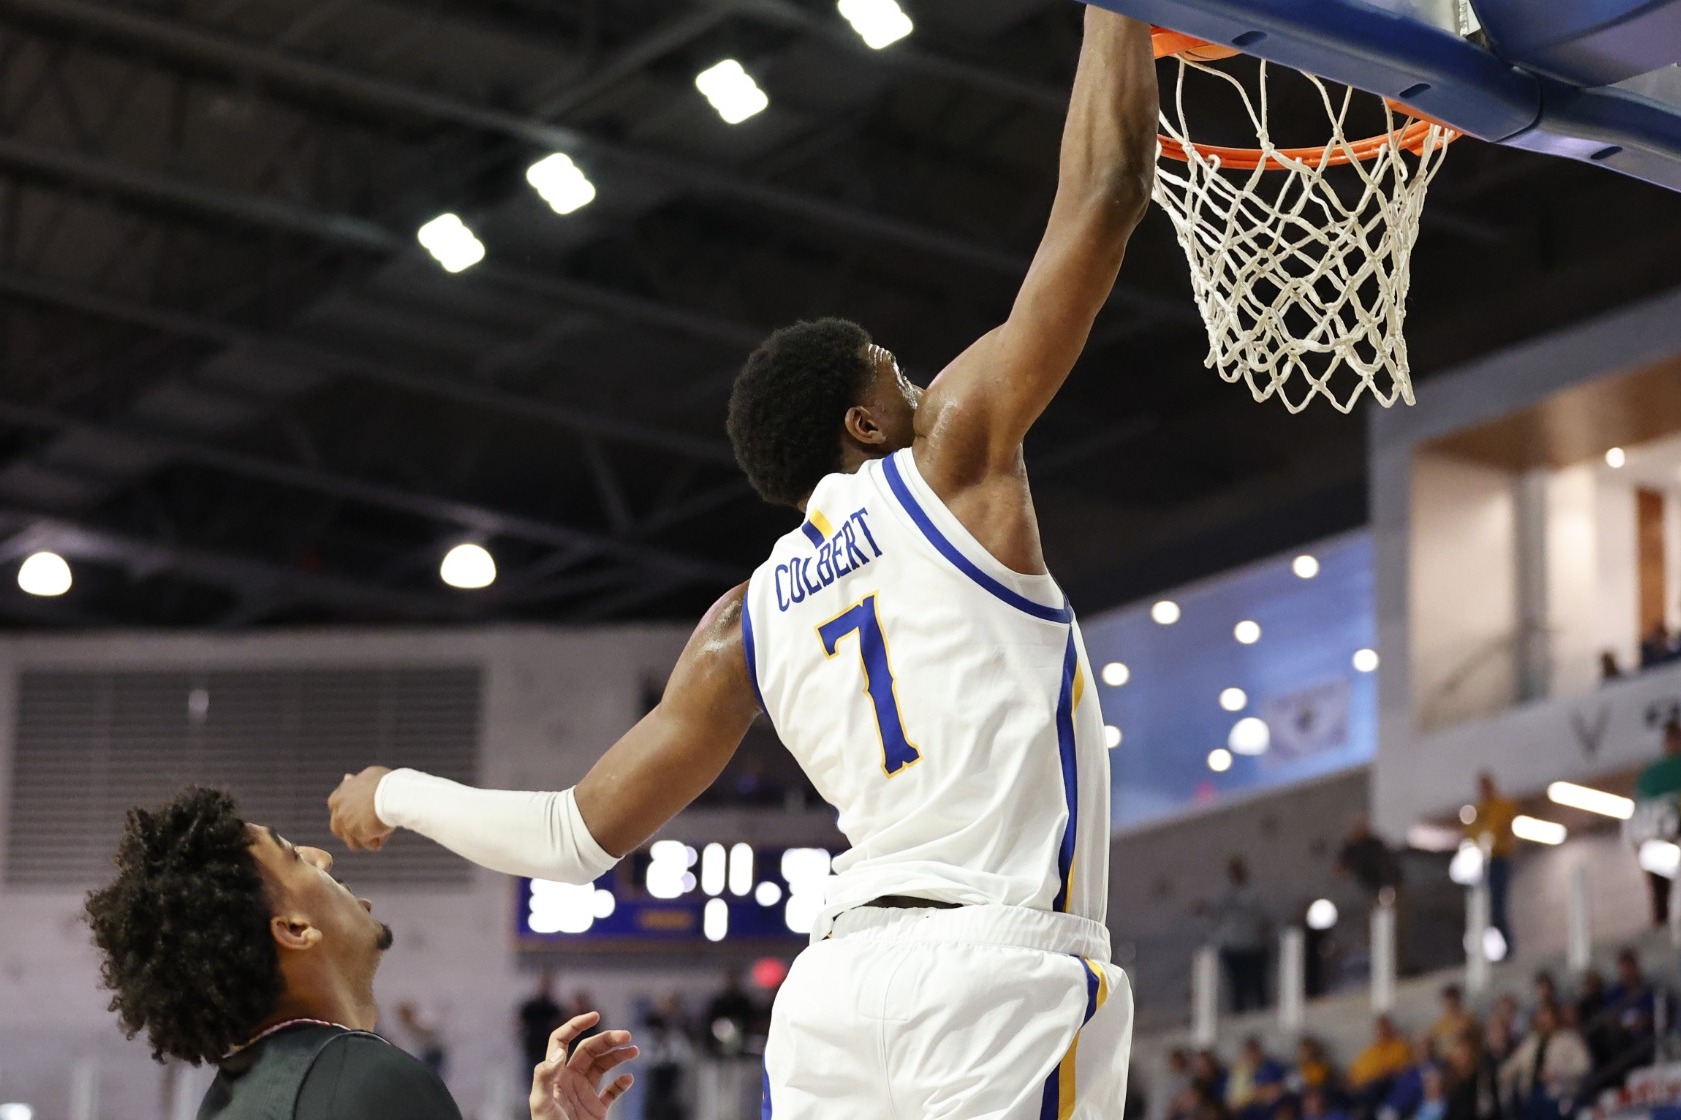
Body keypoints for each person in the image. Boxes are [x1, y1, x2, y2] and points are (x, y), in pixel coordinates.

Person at [327, 9, 1159, 1119]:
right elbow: (1101, 195)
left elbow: (572, 837)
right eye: (897, 375)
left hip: (830, 993)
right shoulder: (953, 454)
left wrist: (397, 786)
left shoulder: (741, 622)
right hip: (992, 968)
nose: (922, 387)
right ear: (866, 423)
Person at [83, 787, 633, 1120]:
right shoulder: (370, 1081)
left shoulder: (233, 1095)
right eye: (295, 857)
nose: (323, 856)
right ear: (296, 929)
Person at [1497, 1002, 1590, 1120]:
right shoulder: (1532, 1042)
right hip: (1532, 1095)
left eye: (1548, 1017)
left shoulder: (1570, 1039)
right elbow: (1514, 1063)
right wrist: (1500, 1074)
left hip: (1559, 1094)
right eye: (1542, 1017)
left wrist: (1558, 1074)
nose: (1545, 1021)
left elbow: (1584, 1066)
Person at [1633, 719, 1681, 926]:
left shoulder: (1655, 775)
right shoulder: (1653, 775)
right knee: (1661, 890)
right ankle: (1661, 923)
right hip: (1661, 837)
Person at [1464, 773, 1519, 955]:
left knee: (1497, 908)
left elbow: (1499, 829)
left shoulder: (1503, 806)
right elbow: (1471, 833)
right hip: (1484, 863)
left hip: (1499, 860)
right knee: (1485, 909)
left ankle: (1508, 950)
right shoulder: (1479, 811)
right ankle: (1495, 951)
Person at [1210, 856, 1271, 1013]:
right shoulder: (1225, 895)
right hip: (1234, 947)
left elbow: (1265, 918)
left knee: (1258, 989)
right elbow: (1215, 914)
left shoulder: (1255, 892)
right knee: (1238, 990)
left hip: (1254, 946)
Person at [1349, 1016, 1414, 1110]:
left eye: (1386, 1028)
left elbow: (1405, 1069)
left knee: (1373, 1089)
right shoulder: (1371, 1050)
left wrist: (1387, 1073)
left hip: (1385, 1084)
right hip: (1361, 1086)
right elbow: (1354, 1071)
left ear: (1392, 1029)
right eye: (1380, 1029)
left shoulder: (1401, 1047)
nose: (1383, 1032)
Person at [519, 970, 566, 1074]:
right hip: (533, 1047)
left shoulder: (554, 1008)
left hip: (548, 1050)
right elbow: (519, 1024)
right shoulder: (531, 1006)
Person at [1431, 986, 1477, 1055]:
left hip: (1462, 1055)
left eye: (1453, 1002)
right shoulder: (1439, 1024)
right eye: (1448, 1002)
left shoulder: (1468, 1019)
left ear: (1458, 1001)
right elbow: (1433, 1039)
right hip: (1443, 1058)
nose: (1450, 1005)